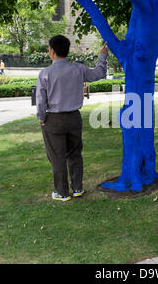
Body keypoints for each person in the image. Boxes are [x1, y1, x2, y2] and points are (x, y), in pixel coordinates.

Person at [36, 35, 108, 202]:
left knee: (57, 157)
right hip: (74, 118)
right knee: (75, 154)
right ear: (66, 51)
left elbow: (41, 99)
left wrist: (41, 117)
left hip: (53, 119)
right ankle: (77, 188)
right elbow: (99, 73)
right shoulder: (78, 69)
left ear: (52, 51)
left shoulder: (45, 73)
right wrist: (102, 55)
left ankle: (62, 192)